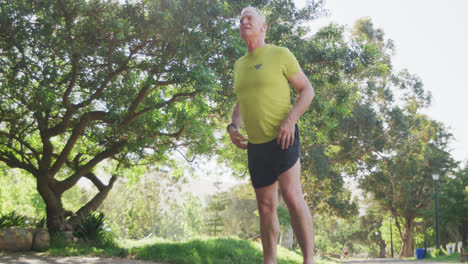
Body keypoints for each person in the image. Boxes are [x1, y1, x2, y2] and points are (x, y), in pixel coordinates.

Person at [227, 6, 316, 264]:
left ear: (264, 26)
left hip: (283, 137)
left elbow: (307, 90)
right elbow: (241, 102)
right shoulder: (239, 66)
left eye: (250, 17)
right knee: (265, 207)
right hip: (256, 145)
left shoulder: (280, 54)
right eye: (241, 19)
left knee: (291, 195)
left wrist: (291, 120)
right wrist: (233, 127)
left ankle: (309, 260)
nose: (244, 21)